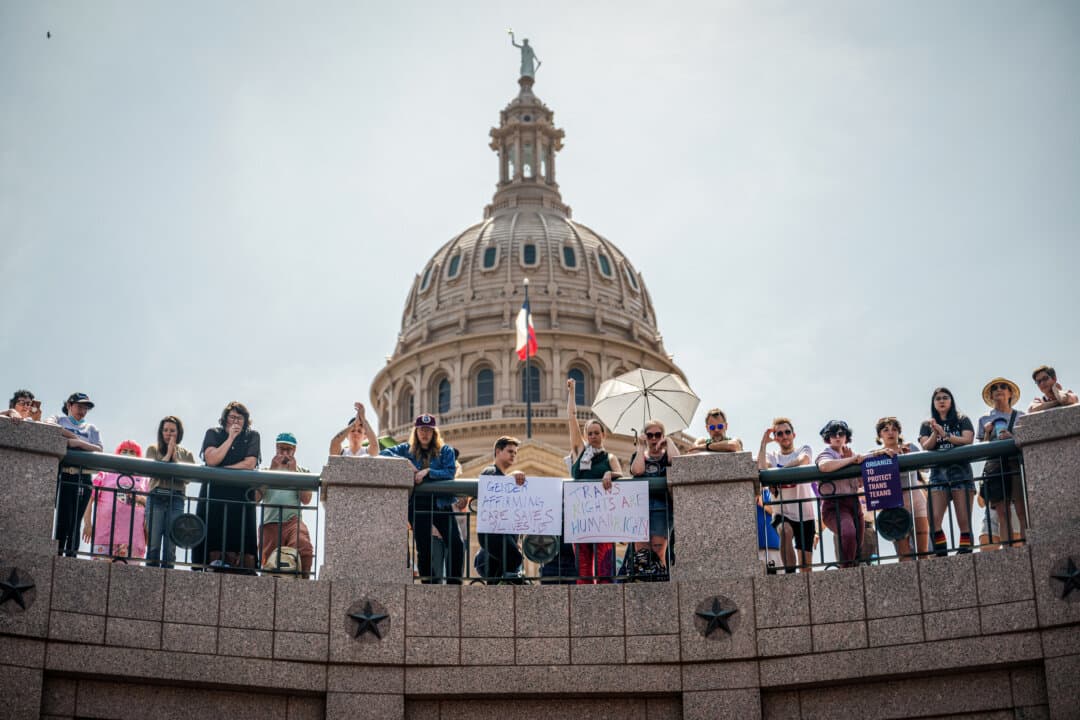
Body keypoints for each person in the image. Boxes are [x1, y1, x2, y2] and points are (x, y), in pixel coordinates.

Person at [381, 414, 463, 583]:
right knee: (424, 548)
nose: (425, 433)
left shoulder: (445, 450)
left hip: (441, 502)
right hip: (418, 503)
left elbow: (450, 472)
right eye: (421, 430)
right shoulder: (406, 449)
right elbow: (383, 453)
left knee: (456, 543)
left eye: (428, 430)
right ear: (416, 431)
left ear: (434, 432)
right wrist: (404, 461)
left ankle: (455, 584)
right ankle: (428, 584)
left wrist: (428, 472)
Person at [565, 377, 623, 584]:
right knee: (583, 569)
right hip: (580, 516)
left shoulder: (609, 458)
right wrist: (572, 393)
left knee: (605, 566)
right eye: (589, 433)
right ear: (585, 436)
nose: (593, 436)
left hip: (603, 517)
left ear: (603, 435)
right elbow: (572, 418)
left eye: (597, 433)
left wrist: (610, 474)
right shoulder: (580, 452)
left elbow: (622, 478)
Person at [196, 401, 261, 570]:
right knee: (214, 535)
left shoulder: (252, 436)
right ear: (225, 419)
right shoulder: (213, 433)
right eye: (232, 417)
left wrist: (223, 470)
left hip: (241, 495)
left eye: (240, 418)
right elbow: (211, 459)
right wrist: (230, 438)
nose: (236, 421)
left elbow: (250, 463)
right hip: (214, 495)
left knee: (241, 537)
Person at [919, 387, 976, 556]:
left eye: (945, 397)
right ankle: (941, 554)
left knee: (964, 520)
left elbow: (968, 439)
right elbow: (926, 446)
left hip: (961, 472)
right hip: (938, 474)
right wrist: (935, 433)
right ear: (933, 403)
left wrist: (946, 435)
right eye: (938, 399)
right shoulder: (926, 424)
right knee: (934, 519)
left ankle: (964, 554)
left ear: (951, 401)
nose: (942, 401)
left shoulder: (962, 419)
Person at [47, 392, 104, 556]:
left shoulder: (92, 428)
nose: (82, 411)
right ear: (69, 406)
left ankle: (71, 558)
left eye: (86, 408)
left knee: (75, 523)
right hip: (64, 476)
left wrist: (74, 442)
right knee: (62, 520)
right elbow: (49, 426)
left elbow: (99, 449)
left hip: (84, 478)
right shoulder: (59, 419)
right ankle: (57, 556)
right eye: (79, 406)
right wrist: (74, 438)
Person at [758, 417, 815, 573]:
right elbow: (761, 467)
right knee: (785, 530)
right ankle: (790, 577)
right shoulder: (772, 456)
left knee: (806, 568)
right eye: (779, 433)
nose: (784, 436)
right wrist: (763, 442)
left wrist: (779, 474)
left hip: (805, 514)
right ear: (775, 438)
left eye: (787, 432)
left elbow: (803, 461)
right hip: (782, 512)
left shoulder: (804, 449)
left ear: (793, 435)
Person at [976, 377, 1027, 545]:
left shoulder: (1021, 416)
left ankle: (1030, 548)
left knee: (1021, 510)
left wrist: (1012, 437)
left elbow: (1028, 442)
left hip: (1016, 465)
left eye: (1003, 386)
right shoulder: (984, 419)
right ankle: (1009, 554)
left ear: (1010, 392)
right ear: (991, 395)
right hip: (995, 467)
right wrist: (987, 434)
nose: (999, 389)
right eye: (995, 388)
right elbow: (980, 449)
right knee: (1002, 513)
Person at [257, 432, 314, 577]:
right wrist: (272, 472)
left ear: (294, 450)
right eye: (281, 449)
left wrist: (295, 473)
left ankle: (304, 581)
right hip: (269, 523)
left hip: (292, 521)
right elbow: (255, 497)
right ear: (276, 448)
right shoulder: (265, 471)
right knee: (270, 562)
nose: (284, 453)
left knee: (303, 547)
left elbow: (306, 499)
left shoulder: (303, 471)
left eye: (288, 449)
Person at [82, 440, 149, 561]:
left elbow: (149, 505)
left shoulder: (144, 479)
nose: (127, 454)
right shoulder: (105, 473)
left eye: (132, 452)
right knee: (99, 575)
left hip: (132, 537)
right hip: (105, 535)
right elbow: (91, 499)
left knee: (128, 577)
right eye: (124, 451)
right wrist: (87, 523)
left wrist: (147, 530)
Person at [874, 417, 929, 560]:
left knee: (923, 547)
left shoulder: (910, 448)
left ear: (899, 432)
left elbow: (926, 467)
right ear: (880, 435)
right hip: (894, 503)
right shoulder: (876, 453)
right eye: (886, 430)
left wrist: (908, 455)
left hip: (915, 496)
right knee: (904, 551)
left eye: (894, 429)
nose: (890, 433)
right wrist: (879, 455)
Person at [145, 415, 196, 568]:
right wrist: (168, 455)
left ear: (178, 432)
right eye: (165, 430)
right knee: (153, 542)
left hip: (176, 499)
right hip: (156, 497)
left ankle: (168, 577)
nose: (168, 433)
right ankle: (151, 575)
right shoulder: (153, 449)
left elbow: (188, 478)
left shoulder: (186, 454)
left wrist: (176, 458)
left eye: (172, 430)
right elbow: (153, 472)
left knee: (171, 543)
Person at [628, 419, 679, 571]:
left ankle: (660, 585)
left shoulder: (666, 456)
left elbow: (677, 462)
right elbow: (637, 471)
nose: (654, 438)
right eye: (650, 435)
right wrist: (640, 447)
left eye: (658, 434)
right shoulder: (640, 456)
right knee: (641, 553)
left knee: (658, 551)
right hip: (640, 510)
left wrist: (668, 441)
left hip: (662, 510)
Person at [815, 420, 865, 569]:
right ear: (827, 437)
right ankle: (846, 573)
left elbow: (861, 482)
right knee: (848, 533)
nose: (837, 436)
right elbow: (824, 466)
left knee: (857, 545)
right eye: (833, 433)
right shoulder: (827, 453)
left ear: (846, 436)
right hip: (834, 505)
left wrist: (854, 462)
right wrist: (850, 460)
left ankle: (851, 571)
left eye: (841, 433)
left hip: (854, 504)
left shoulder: (852, 454)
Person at [477, 436, 527, 582]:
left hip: (501, 534)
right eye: (510, 451)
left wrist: (512, 540)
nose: (513, 455)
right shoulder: (490, 471)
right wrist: (510, 477)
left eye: (515, 453)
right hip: (492, 533)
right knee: (515, 559)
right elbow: (490, 486)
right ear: (498, 451)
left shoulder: (502, 475)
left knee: (497, 573)